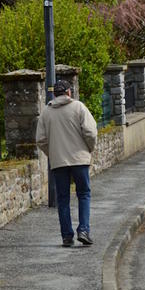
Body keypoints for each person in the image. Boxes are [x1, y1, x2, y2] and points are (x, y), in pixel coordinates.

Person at [36, 80, 98, 247]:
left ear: (54, 94)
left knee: (63, 198)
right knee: (83, 194)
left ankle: (66, 236)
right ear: (69, 92)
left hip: (58, 162)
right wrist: (88, 149)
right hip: (80, 159)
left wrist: (53, 153)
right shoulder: (79, 107)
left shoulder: (46, 113)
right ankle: (83, 230)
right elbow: (91, 133)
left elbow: (40, 140)